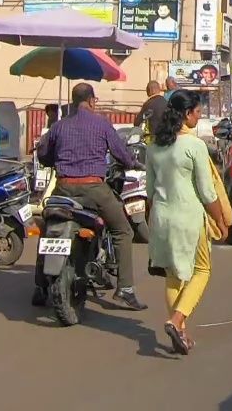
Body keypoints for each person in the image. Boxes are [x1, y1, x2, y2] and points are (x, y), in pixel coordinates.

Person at [37, 83, 144, 311]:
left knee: (48, 226)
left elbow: (44, 155)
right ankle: (125, 289)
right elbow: (122, 155)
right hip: (94, 190)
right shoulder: (102, 124)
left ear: (74, 101)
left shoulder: (59, 126)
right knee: (123, 230)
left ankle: (40, 286)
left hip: (63, 188)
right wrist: (133, 163)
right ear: (92, 101)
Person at [147, 89, 231, 356]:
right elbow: (208, 193)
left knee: (173, 275)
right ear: (186, 114)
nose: (199, 116)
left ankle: (180, 332)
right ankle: (177, 320)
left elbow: (149, 191)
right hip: (189, 218)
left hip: (161, 217)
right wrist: (220, 219)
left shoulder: (154, 146)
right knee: (202, 270)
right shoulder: (194, 146)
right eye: (197, 112)